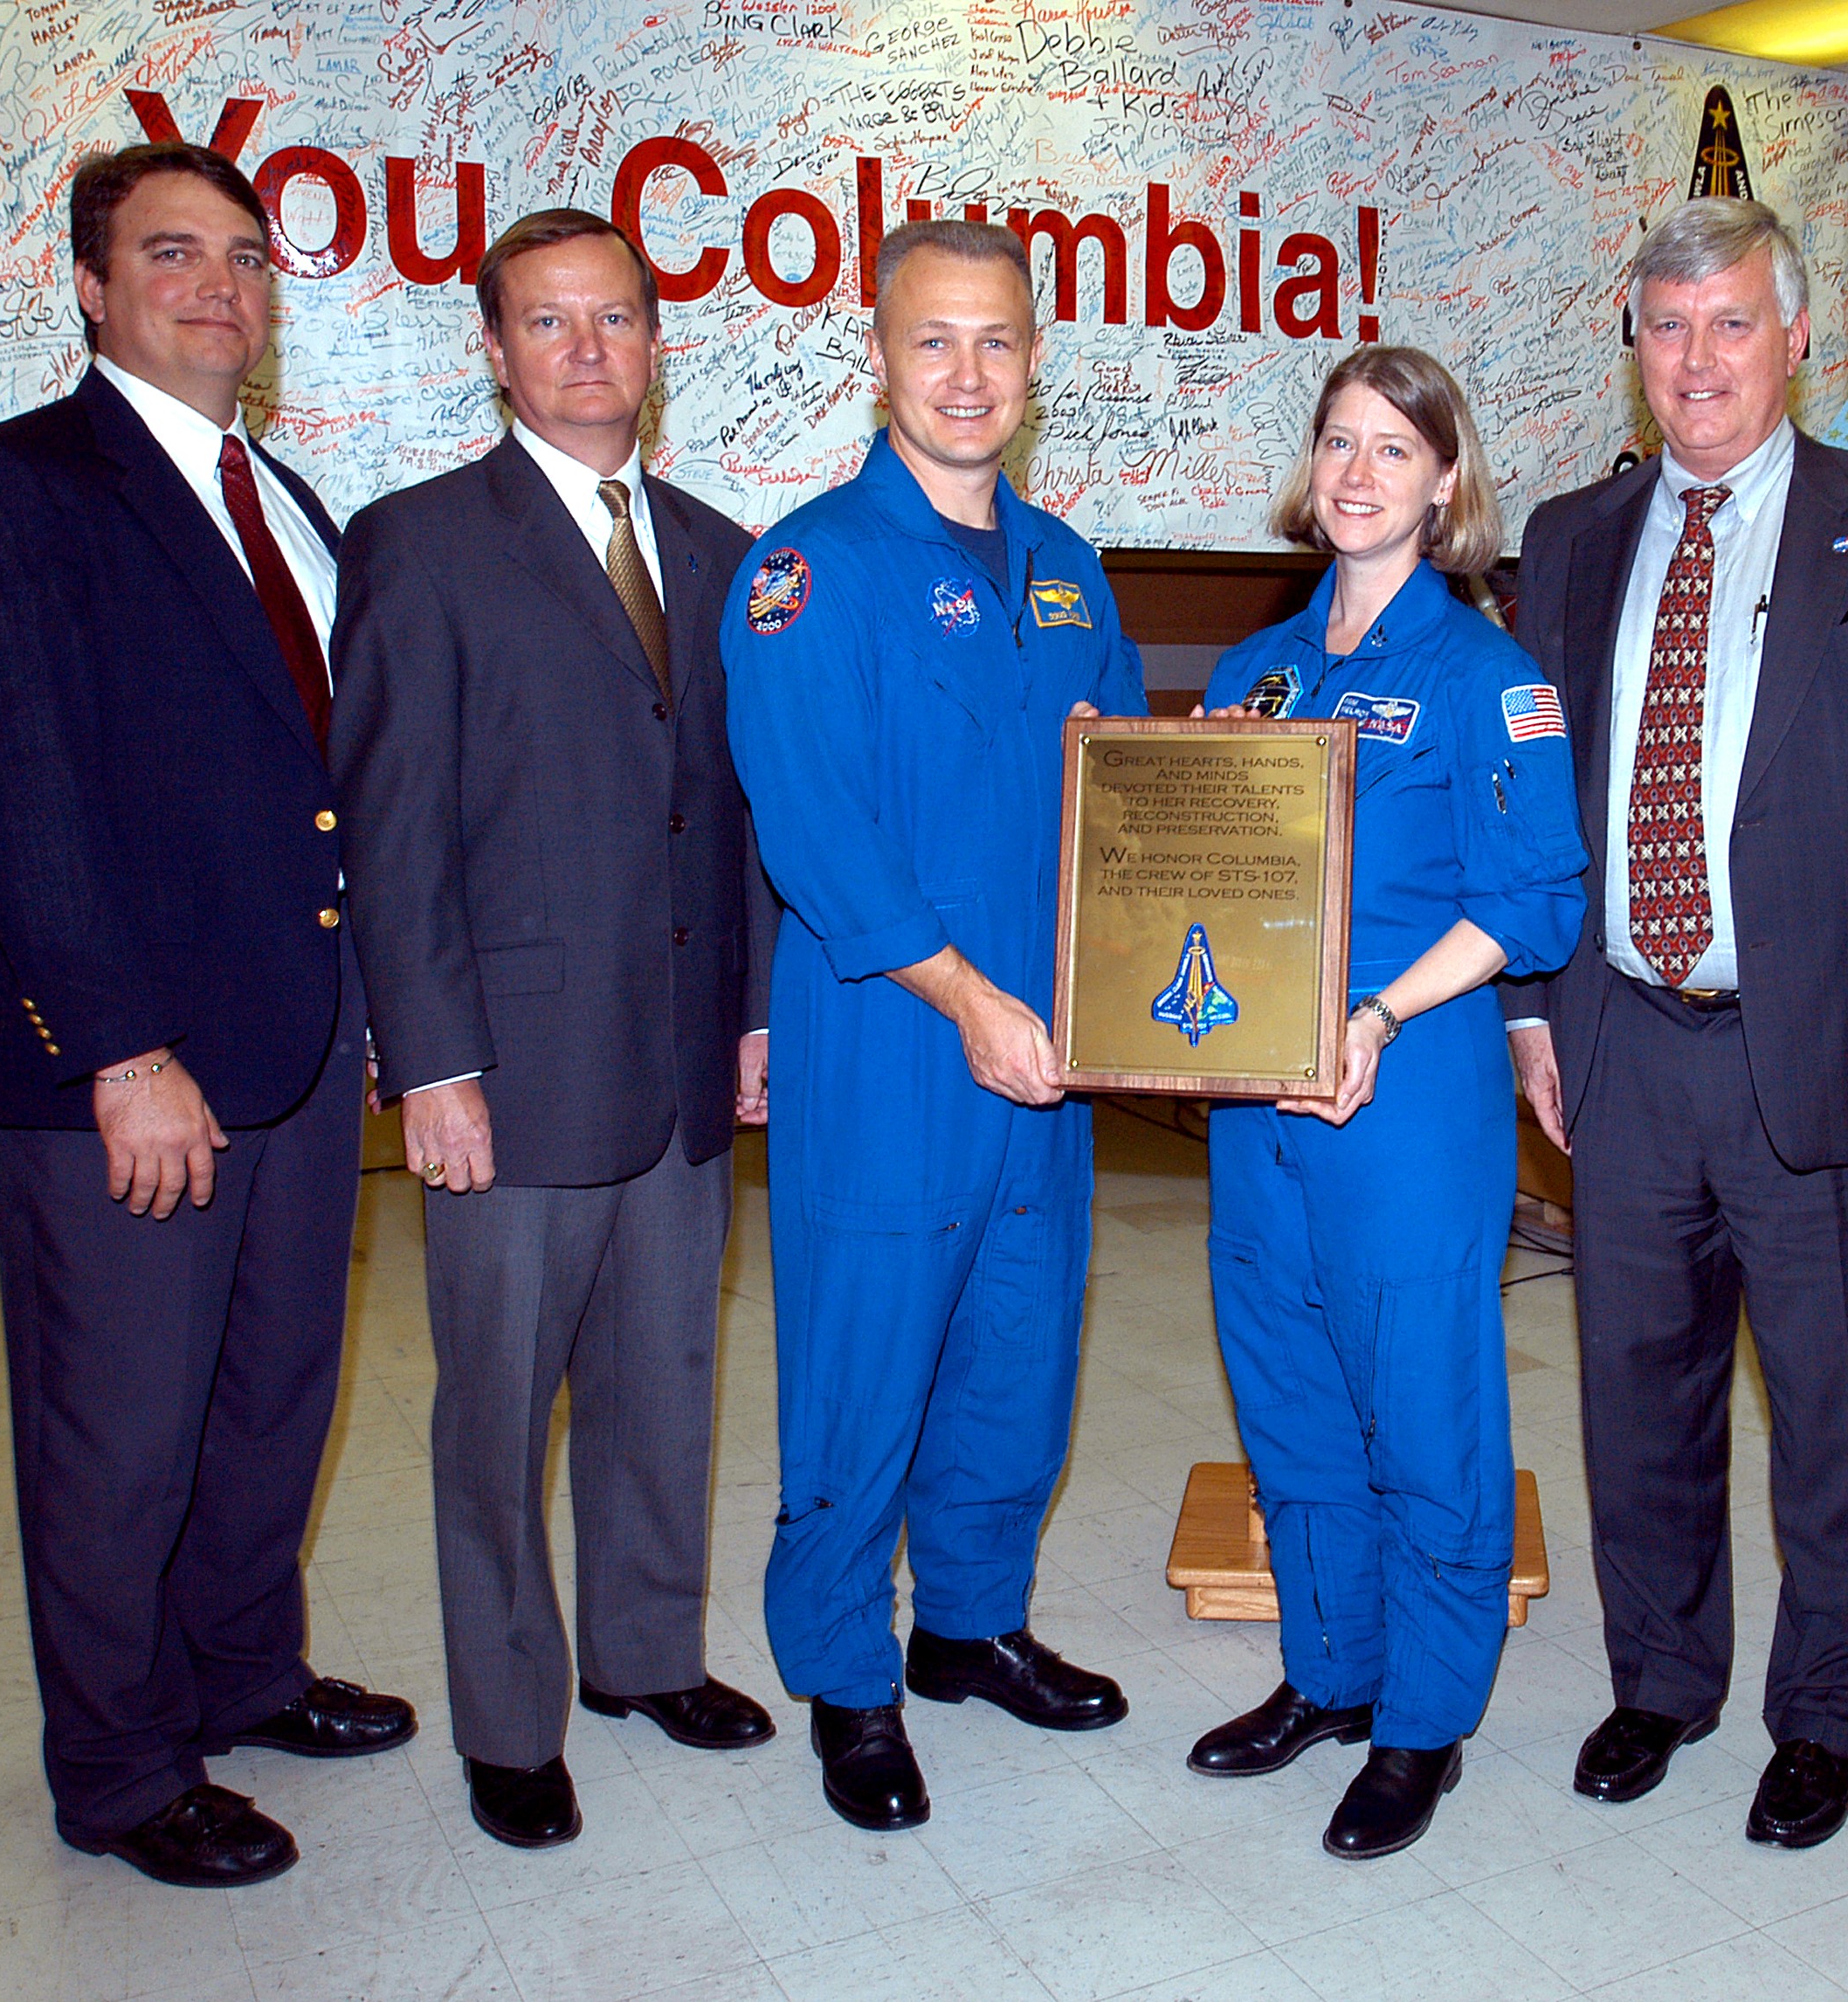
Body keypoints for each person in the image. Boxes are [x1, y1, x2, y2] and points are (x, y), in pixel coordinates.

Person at [0, 142, 415, 1889]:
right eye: (173, 253)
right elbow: (17, 791)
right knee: (120, 1435)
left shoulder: (290, 504)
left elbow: (323, 794)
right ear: (90, 287)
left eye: (246, 257)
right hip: (133, 1071)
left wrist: (370, 1005)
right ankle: (120, 1767)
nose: (220, 285)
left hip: (296, 1047)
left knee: (271, 1400)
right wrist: (122, 1052)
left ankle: (243, 1674)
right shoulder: (11, 485)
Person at [1504, 197, 1848, 1849]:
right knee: (1637, 1401)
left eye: (1732, 322)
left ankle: (1827, 1713)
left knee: (1842, 1416)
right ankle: (1661, 1682)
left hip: (1843, 1059)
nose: (1699, 359)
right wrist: (1531, 1012)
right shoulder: (1571, 538)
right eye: (1668, 327)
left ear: (1796, 339)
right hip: (1623, 1044)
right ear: (1635, 346)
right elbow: (1534, 805)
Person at [329, 208, 779, 1850]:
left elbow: (739, 816)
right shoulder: (419, 543)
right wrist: (432, 1065)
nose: (588, 349)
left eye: (617, 319)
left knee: (665, 1383)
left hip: (680, 1067)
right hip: (508, 1075)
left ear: (658, 342)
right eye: (548, 322)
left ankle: (645, 1657)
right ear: (496, 348)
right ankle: (511, 1721)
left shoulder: (726, 553)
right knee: (497, 1413)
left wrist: (754, 1016)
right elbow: (393, 830)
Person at [721, 218, 1143, 1832]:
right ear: (880, 357)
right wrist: (964, 996)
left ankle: (969, 1626)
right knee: (866, 1363)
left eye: (999, 342)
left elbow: (1130, 803)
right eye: (934, 341)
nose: (969, 375)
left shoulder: (1069, 570)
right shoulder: (807, 571)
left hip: (1052, 1050)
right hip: (894, 1039)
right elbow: (814, 829)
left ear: (1035, 362)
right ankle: (845, 1672)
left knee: (1018, 1353)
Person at [1186, 348, 1587, 1859]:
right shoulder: (1255, 670)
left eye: (1394, 450)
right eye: (1339, 443)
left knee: (1425, 1407)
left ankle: (1423, 1720)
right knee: (1287, 1389)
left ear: (1445, 484)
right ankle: (1332, 1672)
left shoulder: (1489, 678)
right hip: (1255, 1095)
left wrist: (1380, 1010)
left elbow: (1534, 902)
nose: (1358, 474)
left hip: (1401, 1088)